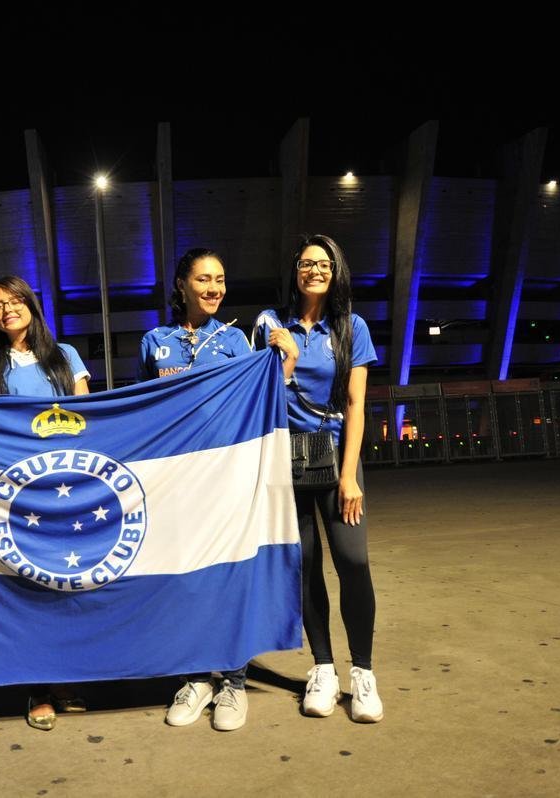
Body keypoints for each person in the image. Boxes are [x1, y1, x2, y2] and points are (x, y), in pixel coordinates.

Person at [252, 234, 383, 723]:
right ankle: (323, 667)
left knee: (353, 560)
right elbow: (257, 393)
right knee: (304, 566)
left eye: (324, 264)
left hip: (334, 461)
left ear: (336, 272)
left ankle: (363, 673)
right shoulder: (269, 323)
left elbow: (355, 406)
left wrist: (350, 477)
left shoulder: (352, 328)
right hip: (284, 463)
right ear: (295, 269)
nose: (315, 270)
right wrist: (282, 362)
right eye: (307, 263)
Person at [136, 248, 254, 731]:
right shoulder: (154, 341)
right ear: (181, 284)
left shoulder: (237, 341)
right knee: (182, 578)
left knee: (227, 576)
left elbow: (256, 402)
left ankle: (234, 682)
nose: (214, 288)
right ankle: (194, 677)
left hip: (225, 478)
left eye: (221, 279)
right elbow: (140, 409)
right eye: (203, 279)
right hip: (175, 483)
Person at [0, 275, 90, 730]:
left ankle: (65, 677)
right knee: (26, 593)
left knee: (64, 590)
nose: (7, 310)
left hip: (63, 488)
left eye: (15, 300)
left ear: (32, 305)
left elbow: (87, 417)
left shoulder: (65, 357)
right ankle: (38, 688)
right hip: (17, 495)